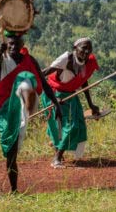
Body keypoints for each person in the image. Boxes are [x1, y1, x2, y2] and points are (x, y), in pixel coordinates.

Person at [0, 33, 62, 193]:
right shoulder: (1, 57)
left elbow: (43, 83)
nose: (13, 47)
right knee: (9, 149)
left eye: (17, 44)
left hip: (21, 107)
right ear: (6, 44)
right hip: (2, 108)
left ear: (23, 44)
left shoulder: (29, 60)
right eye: (10, 44)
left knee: (13, 148)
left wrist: (56, 103)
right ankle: (14, 188)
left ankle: (14, 189)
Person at [40, 38, 101, 168]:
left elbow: (83, 81)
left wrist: (91, 104)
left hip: (70, 95)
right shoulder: (65, 59)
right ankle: (57, 159)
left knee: (78, 124)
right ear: (75, 48)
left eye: (89, 49)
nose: (86, 51)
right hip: (54, 94)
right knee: (66, 126)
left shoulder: (87, 62)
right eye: (83, 48)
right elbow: (43, 74)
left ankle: (58, 154)